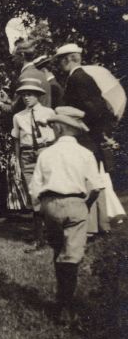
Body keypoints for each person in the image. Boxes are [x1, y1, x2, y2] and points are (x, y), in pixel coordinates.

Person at [28, 106, 104, 322]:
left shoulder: (46, 154)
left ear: (59, 128)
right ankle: (66, 305)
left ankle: (61, 299)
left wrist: (40, 208)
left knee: (58, 250)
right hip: (76, 202)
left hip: (50, 204)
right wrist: (84, 205)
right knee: (71, 256)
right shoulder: (85, 154)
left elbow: (35, 187)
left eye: (53, 126)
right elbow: (96, 186)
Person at [55, 43, 112, 235]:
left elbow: (93, 110)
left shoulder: (77, 79)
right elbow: (101, 109)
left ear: (68, 59)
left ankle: (91, 226)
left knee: (87, 179)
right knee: (94, 177)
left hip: (85, 136)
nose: (59, 65)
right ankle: (100, 224)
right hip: (91, 135)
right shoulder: (84, 77)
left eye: (60, 61)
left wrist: (81, 123)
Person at [11, 78, 56, 252]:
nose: (26, 98)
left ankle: (53, 233)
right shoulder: (18, 117)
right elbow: (16, 140)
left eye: (30, 94)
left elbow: (56, 135)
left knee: (50, 192)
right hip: (27, 155)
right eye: (23, 95)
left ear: (38, 95)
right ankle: (39, 238)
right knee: (34, 194)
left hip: (45, 152)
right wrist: (16, 159)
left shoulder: (49, 112)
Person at [0, 39, 52, 114]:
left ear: (22, 55)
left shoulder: (25, 76)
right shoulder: (40, 74)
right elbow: (26, 103)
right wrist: (8, 100)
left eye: (14, 56)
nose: (13, 60)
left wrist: (0, 105)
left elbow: (16, 110)